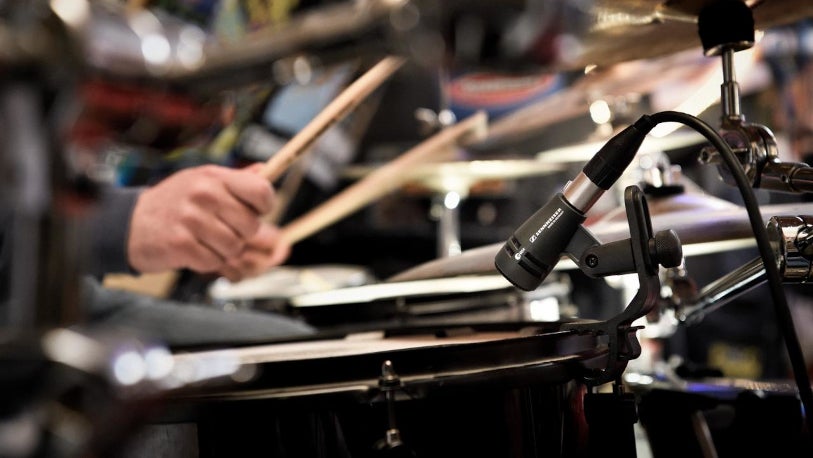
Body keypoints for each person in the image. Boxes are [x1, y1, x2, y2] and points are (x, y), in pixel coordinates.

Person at [78, 163, 316, 347]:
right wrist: (125, 221)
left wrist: (210, 242)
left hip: (80, 296)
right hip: (64, 319)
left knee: (303, 349)